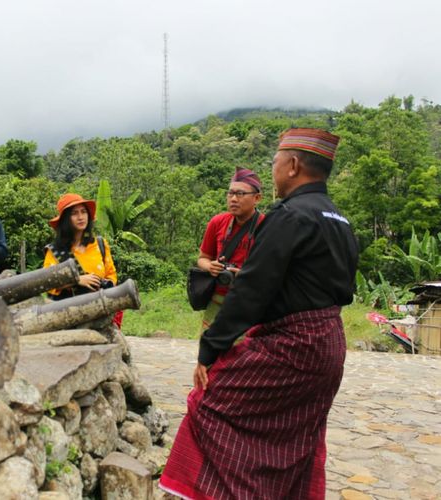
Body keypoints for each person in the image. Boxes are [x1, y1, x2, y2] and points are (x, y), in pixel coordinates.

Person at [160, 128, 359, 500]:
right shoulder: (339, 221)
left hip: (294, 345)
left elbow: (253, 289)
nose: (274, 170)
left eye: (276, 162)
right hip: (329, 342)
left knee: (210, 402)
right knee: (295, 435)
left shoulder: (289, 216)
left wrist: (210, 349)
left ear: (293, 165)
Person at [197, 167, 264, 329]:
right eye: (230, 193)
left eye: (240, 194)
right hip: (218, 299)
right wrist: (210, 266)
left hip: (251, 301)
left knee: (243, 352)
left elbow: (275, 271)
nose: (233, 199)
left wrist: (246, 275)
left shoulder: (267, 226)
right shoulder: (217, 222)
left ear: (257, 198)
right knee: (209, 349)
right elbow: (202, 258)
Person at [43, 193, 120, 323]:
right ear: (66, 219)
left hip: (99, 313)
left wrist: (105, 285)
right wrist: (77, 280)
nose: (80, 217)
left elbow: (111, 275)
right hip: (67, 316)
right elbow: (47, 282)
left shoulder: (100, 245)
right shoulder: (55, 251)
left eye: (83, 212)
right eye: (74, 213)